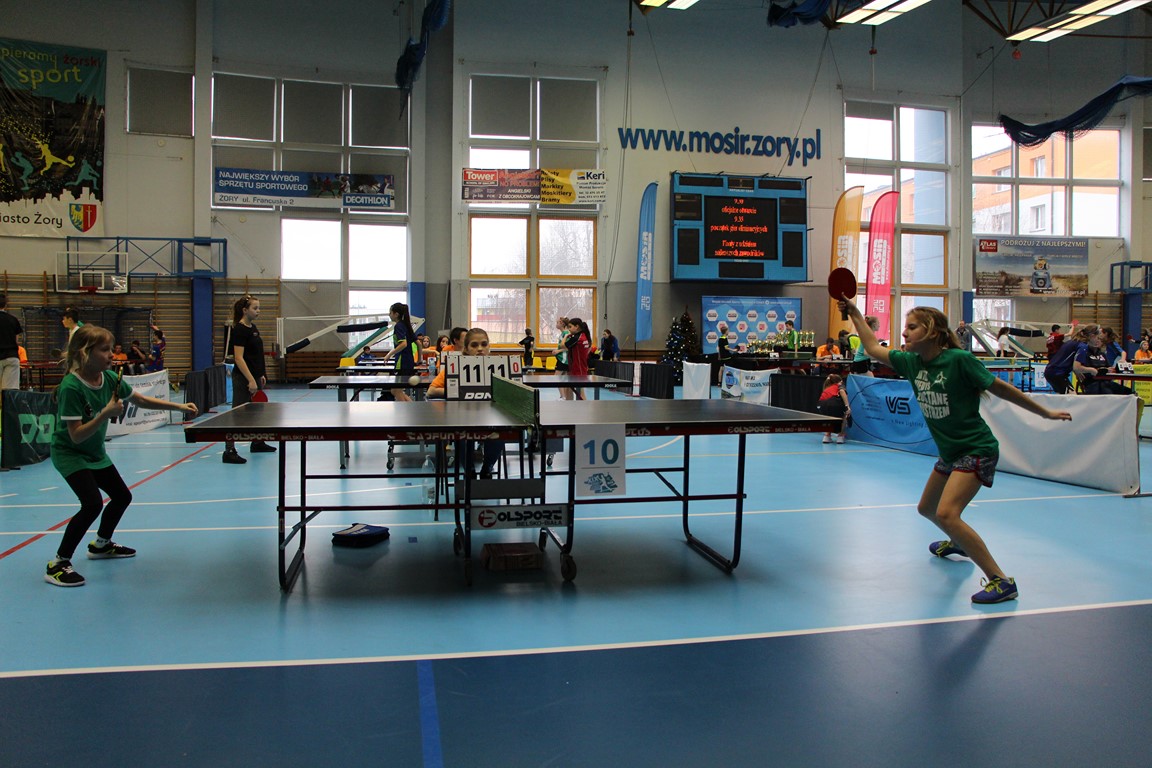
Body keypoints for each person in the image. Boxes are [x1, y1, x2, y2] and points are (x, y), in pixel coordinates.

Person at [839, 297, 1071, 604]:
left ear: (932, 331)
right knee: (927, 509)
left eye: (912, 327)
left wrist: (1044, 412)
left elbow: (1001, 388)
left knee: (947, 513)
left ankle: (1001, 581)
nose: (904, 333)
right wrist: (855, 312)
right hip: (950, 453)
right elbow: (871, 347)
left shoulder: (959, 360)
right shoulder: (911, 362)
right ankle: (959, 542)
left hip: (976, 448)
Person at [44, 325, 198, 587]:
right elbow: (76, 436)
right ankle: (58, 563)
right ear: (85, 353)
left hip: (95, 452)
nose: (111, 355)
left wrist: (178, 406)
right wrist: (105, 413)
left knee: (122, 496)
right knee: (92, 504)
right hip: (70, 453)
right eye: (104, 350)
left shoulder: (110, 378)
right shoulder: (71, 387)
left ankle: (101, 545)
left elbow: (141, 400)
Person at [426, 328, 504, 477]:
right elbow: (431, 391)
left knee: (501, 432)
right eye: (474, 345)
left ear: (489, 347)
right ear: (466, 349)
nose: (480, 349)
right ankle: (469, 471)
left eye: (484, 344)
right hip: (462, 417)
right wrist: (458, 390)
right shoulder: (455, 367)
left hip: (491, 417)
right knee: (461, 436)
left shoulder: (500, 367)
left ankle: (487, 468)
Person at [223, 295, 275, 464]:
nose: (258, 311)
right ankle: (229, 450)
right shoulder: (239, 330)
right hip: (243, 378)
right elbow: (239, 358)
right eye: (255, 308)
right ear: (245, 310)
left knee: (258, 412)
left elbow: (256, 355)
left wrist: (261, 374)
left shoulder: (253, 328)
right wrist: (251, 380)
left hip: (255, 376)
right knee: (237, 414)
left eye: (259, 308)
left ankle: (257, 442)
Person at [380, 302, 418, 402]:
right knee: (395, 390)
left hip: (402, 362)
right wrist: (420, 359)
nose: (389, 314)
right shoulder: (406, 325)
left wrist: (389, 354)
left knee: (396, 391)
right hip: (407, 362)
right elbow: (418, 343)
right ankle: (413, 407)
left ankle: (409, 409)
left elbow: (403, 344)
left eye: (390, 312)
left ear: (396, 314)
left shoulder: (399, 326)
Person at [816, 373, 850, 444]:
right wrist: (847, 406)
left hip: (821, 405)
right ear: (840, 381)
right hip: (833, 403)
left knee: (829, 418)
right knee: (844, 416)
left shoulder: (827, 387)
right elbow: (842, 391)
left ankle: (827, 436)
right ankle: (840, 436)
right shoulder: (840, 385)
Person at [564, 317, 592, 400]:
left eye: (570, 327)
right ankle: (569, 406)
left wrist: (565, 336)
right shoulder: (584, 336)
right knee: (569, 388)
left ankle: (585, 407)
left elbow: (562, 345)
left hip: (578, 370)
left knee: (580, 393)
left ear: (577, 327)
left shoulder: (578, 338)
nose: (569, 329)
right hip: (576, 368)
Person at [0, 292, 21, 391]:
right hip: (12, 356)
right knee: (9, 392)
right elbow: (16, 340)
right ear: (5, 305)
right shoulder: (13, 319)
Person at [553, 317, 573, 399]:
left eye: (558, 322)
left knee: (557, 378)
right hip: (562, 359)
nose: (556, 324)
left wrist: (558, 351)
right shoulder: (562, 333)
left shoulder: (566, 333)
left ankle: (563, 397)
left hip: (564, 360)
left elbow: (569, 347)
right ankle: (564, 397)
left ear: (562, 324)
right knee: (563, 379)